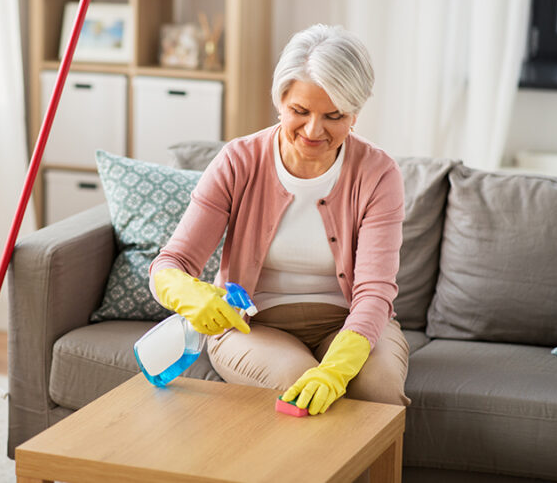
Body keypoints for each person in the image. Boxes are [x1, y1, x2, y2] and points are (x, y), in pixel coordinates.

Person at [148, 23, 411, 415]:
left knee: (378, 390)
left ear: (355, 113)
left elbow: (375, 292)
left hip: (350, 322)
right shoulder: (238, 162)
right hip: (254, 326)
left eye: (334, 115)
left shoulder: (378, 174)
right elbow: (170, 264)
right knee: (298, 383)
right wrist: (190, 294)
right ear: (280, 101)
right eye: (299, 112)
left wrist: (337, 370)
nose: (313, 130)